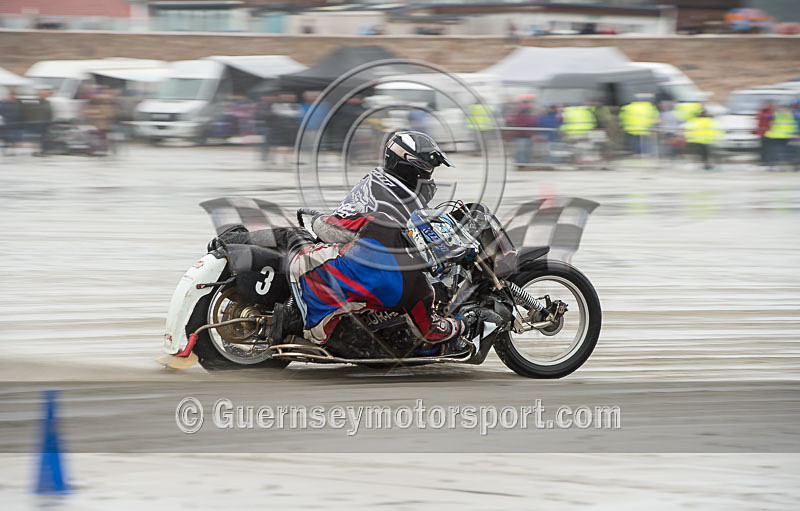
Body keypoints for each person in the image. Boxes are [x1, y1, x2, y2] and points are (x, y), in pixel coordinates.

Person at [275, 209, 486, 354]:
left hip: (300, 264)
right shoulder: (419, 290)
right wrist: (460, 323)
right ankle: (288, 327)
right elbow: (431, 332)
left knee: (291, 234)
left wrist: (318, 218)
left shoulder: (382, 223)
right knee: (378, 354)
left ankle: (240, 237)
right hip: (317, 321)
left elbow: (324, 227)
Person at [313, 130, 452, 243]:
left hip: (338, 240)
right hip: (346, 255)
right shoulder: (398, 196)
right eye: (427, 167)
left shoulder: (379, 177)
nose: (429, 173)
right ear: (409, 164)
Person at [764, 104, 798, 168]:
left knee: (780, 150)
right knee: (779, 150)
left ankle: (779, 162)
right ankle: (779, 162)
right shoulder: (790, 115)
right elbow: (766, 116)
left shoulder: (778, 115)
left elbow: (766, 116)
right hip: (780, 136)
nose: (783, 110)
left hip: (784, 136)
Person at [506, 98, 537, 166]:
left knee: (525, 151)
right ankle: (521, 164)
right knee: (520, 151)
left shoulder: (527, 113)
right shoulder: (518, 113)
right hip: (520, 135)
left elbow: (533, 122)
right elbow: (511, 121)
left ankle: (523, 164)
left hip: (525, 136)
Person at [754, 102, 774, 166]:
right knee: (767, 149)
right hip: (767, 134)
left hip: (763, 134)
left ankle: (764, 161)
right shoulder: (768, 114)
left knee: (764, 149)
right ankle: (767, 161)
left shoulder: (761, 114)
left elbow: (757, 118)